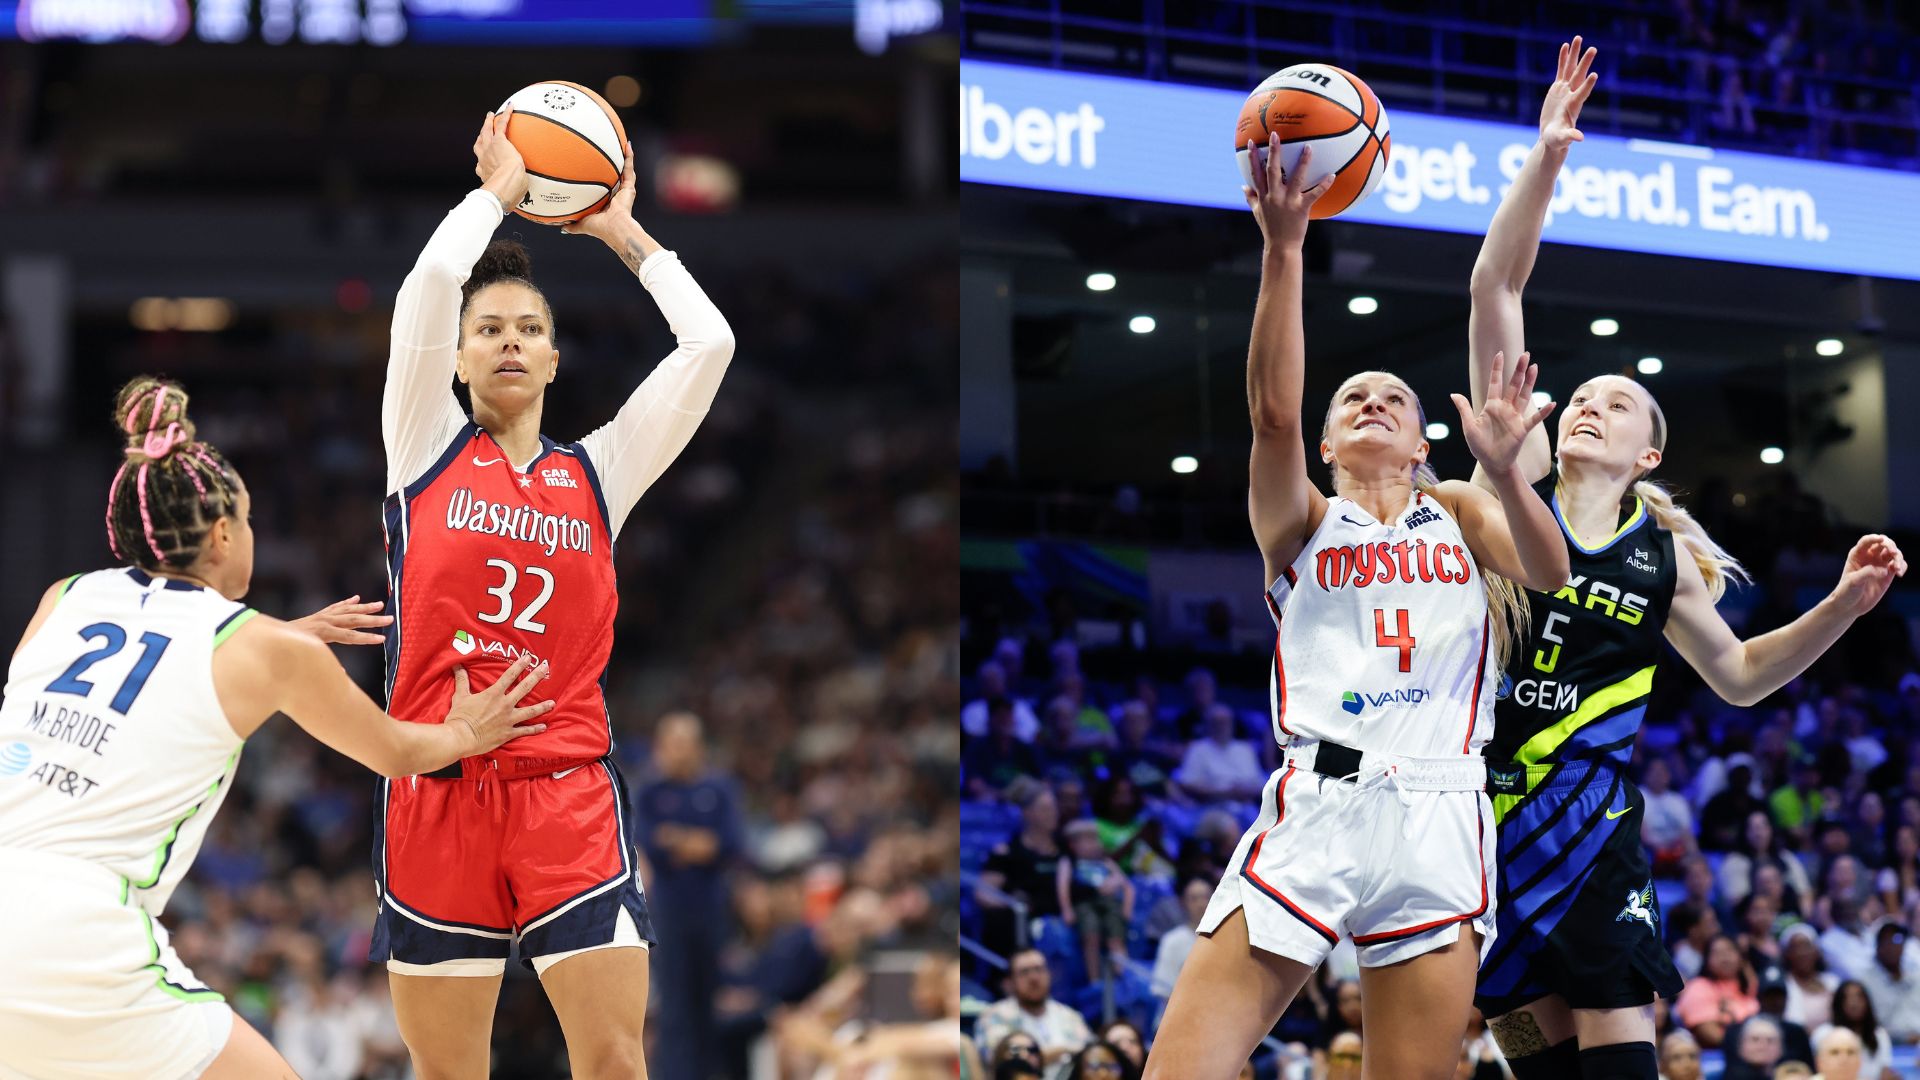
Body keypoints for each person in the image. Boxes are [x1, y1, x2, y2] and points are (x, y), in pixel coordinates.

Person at [1463, 36, 1908, 1080]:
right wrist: (1548, 156)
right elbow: (1494, 280)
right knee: (1536, 1062)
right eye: (1581, 394)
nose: (1587, 403)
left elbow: (1743, 676)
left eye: (1615, 403)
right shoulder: (1507, 476)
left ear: (1647, 452)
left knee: (1622, 1069)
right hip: (1478, 824)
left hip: (1596, 832)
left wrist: (1842, 605)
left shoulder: (1662, 553)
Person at [1145, 123, 1569, 1080]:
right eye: (1352, 400)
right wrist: (1285, 250)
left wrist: (1509, 475)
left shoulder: (1460, 507)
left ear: (1425, 442)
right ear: (1328, 445)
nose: (1373, 401)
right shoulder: (1300, 519)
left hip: (1442, 806)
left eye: (1394, 397)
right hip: (1320, 799)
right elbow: (1270, 413)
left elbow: (1550, 575)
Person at [0, 377, 551, 1079]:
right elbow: (394, 752)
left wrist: (276, 640)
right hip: (75, 929)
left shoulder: (66, 596)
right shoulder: (266, 650)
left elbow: (134, 681)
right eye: (250, 521)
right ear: (224, 534)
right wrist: (468, 731)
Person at [371, 106, 734, 1079]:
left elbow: (708, 346)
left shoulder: (600, 473)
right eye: (488, 330)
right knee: (451, 1072)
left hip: (565, 794)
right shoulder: (423, 447)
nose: (509, 342)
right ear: (455, 357)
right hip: (439, 792)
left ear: (556, 357)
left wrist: (623, 232)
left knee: (616, 1059)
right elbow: (433, 282)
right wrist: (495, 196)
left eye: (530, 328)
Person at [634, 712, 743, 1080]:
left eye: (685, 743)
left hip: (712, 907)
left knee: (712, 999)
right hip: (669, 911)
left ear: (699, 747)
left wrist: (677, 840)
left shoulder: (720, 787)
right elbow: (651, 844)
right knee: (675, 1004)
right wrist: (698, 844)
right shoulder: (650, 790)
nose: (678, 751)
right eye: (671, 743)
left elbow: (730, 844)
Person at [974, 949, 1094, 1071]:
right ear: (1010, 982)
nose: (1034, 978)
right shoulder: (993, 1016)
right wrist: (1062, 1051)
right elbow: (1002, 1061)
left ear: (1049, 974)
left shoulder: (1070, 1016)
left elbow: (1092, 1057)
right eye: (1024, 972)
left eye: (1039, 969)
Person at [1057, 819, 1134, 983]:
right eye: (1087, 840)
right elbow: (1062, 887)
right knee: (1091, 936)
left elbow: (1127, 886)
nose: (1094, 844)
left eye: (1095, 839)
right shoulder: (1070, 863)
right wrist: (1067, 910)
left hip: (1109, 904)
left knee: (1116, 937)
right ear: (1073, 845)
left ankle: (1125, 978)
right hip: (1084, 904)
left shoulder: (1105, 862)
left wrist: (1127, 909)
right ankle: (1095, 980)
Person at [1814, 981, 1897, 1080]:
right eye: (1835, 1052)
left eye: (1851, 1052)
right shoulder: (1823, 1033)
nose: (1844, 1060)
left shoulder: (1879, 1034)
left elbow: (1885, 1071)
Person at [1853, 921, 1920, 1042]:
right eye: (1887, 940)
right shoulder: (1864, 982)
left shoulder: (1916, 976)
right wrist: (1903, 1039)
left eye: (1897, 940)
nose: (1893, 946)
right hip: (1886, 1046)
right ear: (1877, 945)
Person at [1151, 877, 1213, 1000]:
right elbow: (1164, 991)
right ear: (1183, 903)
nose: (1201, 904)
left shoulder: (1225, 938)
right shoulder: (1172, 941)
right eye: (1194, 899)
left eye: (1205, 897)